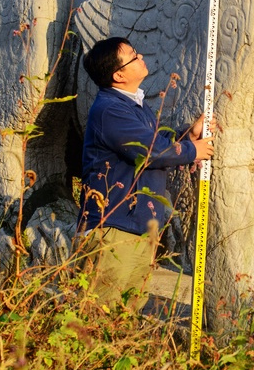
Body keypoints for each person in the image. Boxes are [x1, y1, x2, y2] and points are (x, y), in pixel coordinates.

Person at [75, 36, 214, 307]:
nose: (140, 56)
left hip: (137, 230)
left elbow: (155, 141)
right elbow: (150, 152)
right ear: (118, 74)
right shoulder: (110, 110)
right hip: (112, 230)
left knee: (126, 317)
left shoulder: (134, 105)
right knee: (98, 317)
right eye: (133, 55)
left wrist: (188, 136)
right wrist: (192, 151)